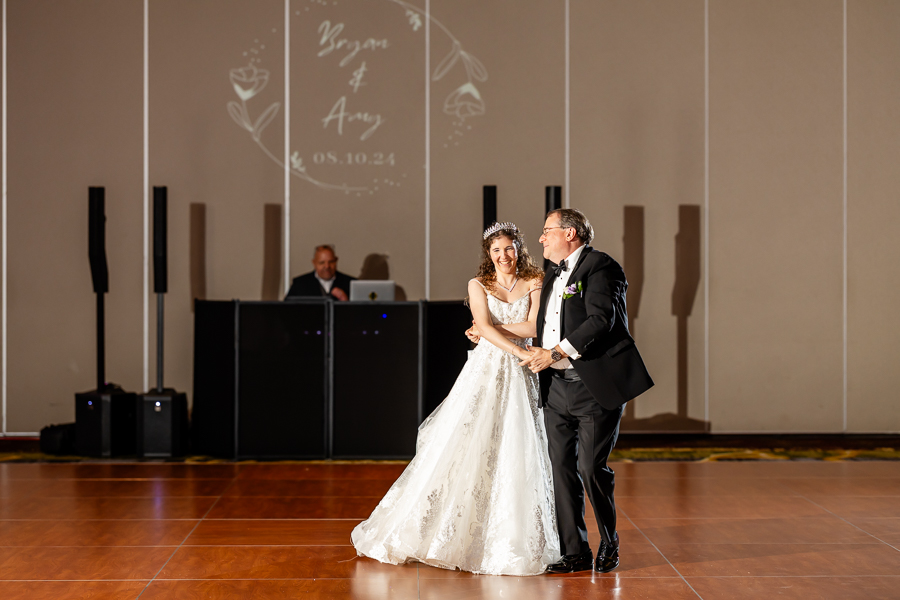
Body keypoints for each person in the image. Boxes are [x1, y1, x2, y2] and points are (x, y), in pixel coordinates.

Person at [351, 222, 561, 575]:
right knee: (468, 440)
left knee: (515, 443)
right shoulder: (477, 284)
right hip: (489, 368)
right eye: (496, 251)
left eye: (509, 248)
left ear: (519, 250)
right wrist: (511, 346)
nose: (503, 256)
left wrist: (490, 331)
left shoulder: (535, 281)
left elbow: (535, 327)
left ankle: (507, 535)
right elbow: (489, 324)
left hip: (520, 373)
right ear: (488, 255)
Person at [518, 208, 654, 573]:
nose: (542, 237)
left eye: (548, 231)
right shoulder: (551, 273)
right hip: (555, 388)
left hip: (593, 386)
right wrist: (488, 330)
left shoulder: (602, 267)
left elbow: (600, 319)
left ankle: (609, 542)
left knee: (590, 468)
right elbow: (539, 322)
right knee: (560, 469)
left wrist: (557, 352)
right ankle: (574, 550)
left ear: (571, 234)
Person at [284, 245, 355, 300]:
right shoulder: (299, 284)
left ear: (336, 260)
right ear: (314, 263)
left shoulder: (351, 284)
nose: (327, 266)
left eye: (331, 262)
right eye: (322, 263)